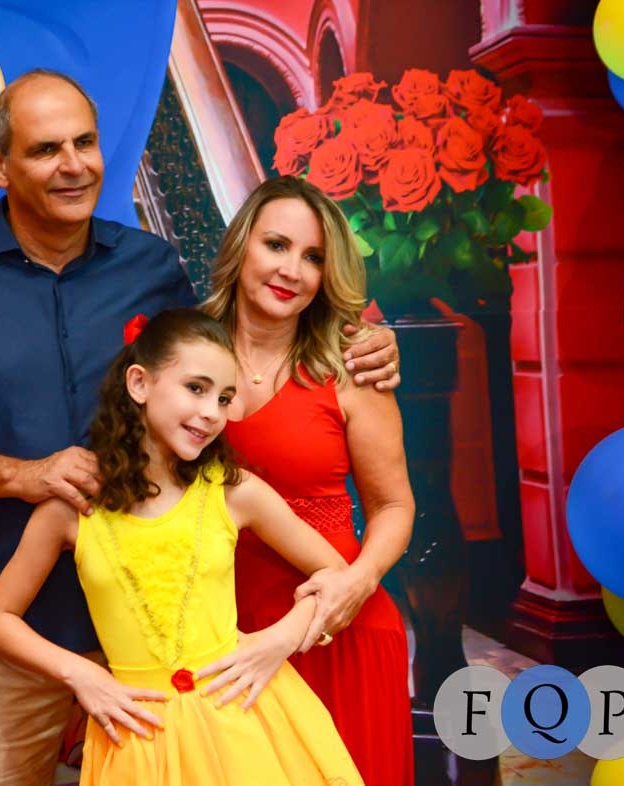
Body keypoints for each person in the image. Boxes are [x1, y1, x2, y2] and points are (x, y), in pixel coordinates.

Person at [0, 69, 399, 785]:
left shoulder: (150, 265)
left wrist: (363, 339)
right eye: (45, 149)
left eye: (84, 143)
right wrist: (23, 476)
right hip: (15, 632)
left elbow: (228, 355)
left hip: (160, 633)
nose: (73, 164)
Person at [0, 308, 366, 785]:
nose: (212, 412)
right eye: (196, 388)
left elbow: (336, 574)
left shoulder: (233, 492)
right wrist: (81, 675)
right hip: (139, 735)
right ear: (139, 384)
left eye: (224, 398)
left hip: (241, 720)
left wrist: (279, 640)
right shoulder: (71, 510)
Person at [202, 175, 416, 786]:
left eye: (313, 257)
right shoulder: (185, 353)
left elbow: (394, 505)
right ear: (241, 245)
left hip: (336, 630)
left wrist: (355, 584)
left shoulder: (351, 370)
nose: (291, 270)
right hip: (219, 637)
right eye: (276, 245)